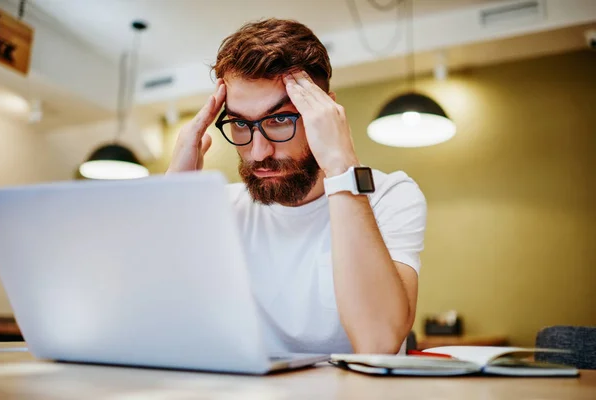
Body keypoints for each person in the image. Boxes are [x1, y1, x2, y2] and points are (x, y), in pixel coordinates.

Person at [167, 18, 426, 355]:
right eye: (241, 124)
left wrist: (341, 167)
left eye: (279, 119)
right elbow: (153, 325)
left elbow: (377, 342)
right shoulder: (219, 208)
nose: (258, 152)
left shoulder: (390, 196)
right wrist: (173, 192)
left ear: (325, 112)